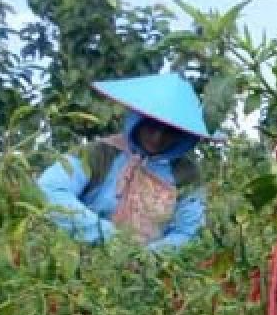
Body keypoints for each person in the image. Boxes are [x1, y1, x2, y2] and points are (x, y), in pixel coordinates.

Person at [37, 73, 213, 252]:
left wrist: (148, 257)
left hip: (150, 272)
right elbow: (49, 190)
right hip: (80, 256)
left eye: (169, 132)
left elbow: (189, 231)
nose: (157, 137)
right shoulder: (100, 153)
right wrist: (107, 236)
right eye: (152, 126)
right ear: (137, 120)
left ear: (183, 135)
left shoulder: (186, 174)